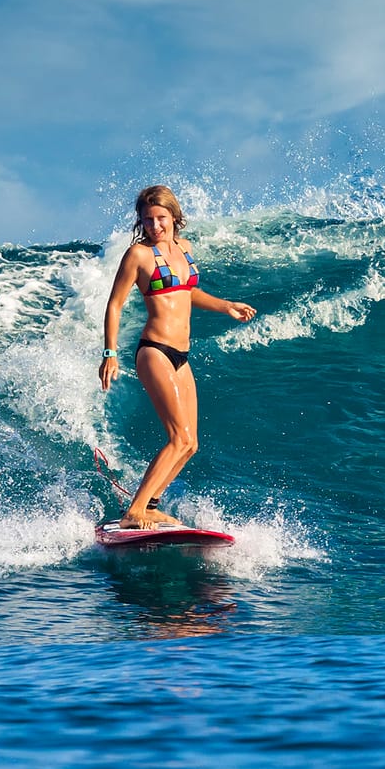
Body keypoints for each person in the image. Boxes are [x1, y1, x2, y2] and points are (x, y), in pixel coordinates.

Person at [99, 185, 256, 528]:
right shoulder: (138, 256)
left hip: (181, 355)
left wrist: (225, 305)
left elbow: (188, 291)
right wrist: (110, 353)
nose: (155, 226)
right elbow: (115, 304)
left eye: (161, 219)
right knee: (177, 437)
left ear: (174, 218)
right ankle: (134, 512)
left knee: (191, 443)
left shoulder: (185, 249)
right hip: (154, 350)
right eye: (148, 220)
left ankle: (152, 505)